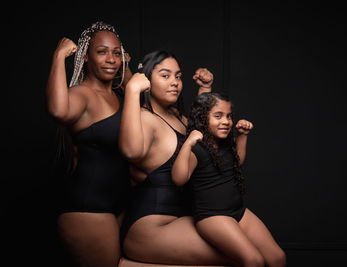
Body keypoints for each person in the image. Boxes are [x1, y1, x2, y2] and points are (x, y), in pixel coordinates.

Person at [119, 50, 230, 264]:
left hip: (180, 220)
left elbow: (204, 139)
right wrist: (133, 90)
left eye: (178, 76)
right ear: (147, 79)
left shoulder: (178, 118)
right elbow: (130, 151)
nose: (175, 83)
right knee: (237, 254)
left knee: (247, 250)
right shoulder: (145, 117)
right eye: (165, 75)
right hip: (149, 229)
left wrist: (205, 89)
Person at [45, 21, 132, 267]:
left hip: (120, 205)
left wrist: (125, 68)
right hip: (88, 208)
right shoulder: (81, 94)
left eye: (116, 53)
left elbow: (145, 101)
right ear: (85, 57)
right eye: (102, 52)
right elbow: (58, 111)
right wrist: (59, 56)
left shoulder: (120, 95)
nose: (111, 59)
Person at [171, 92, 286, 267]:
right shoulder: (198, 149)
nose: (226, 121)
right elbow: (179, 179)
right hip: (213, 216)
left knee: (278, 258)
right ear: (203, 118)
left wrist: (242, 135)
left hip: (237, 211)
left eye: (229, 116)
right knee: (253, 260)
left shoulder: (225, 143)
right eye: (218, 116)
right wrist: (187, 144)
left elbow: (236, 163)